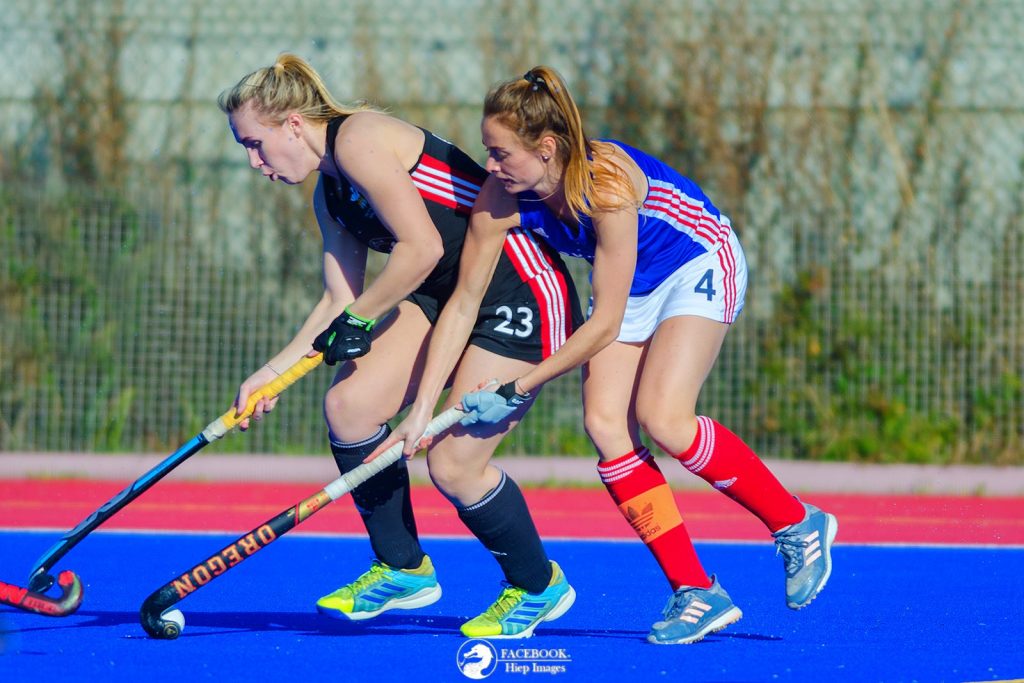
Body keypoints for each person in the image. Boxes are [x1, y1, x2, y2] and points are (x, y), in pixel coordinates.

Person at [380, 66, 838, 645]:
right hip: (631, 285)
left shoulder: (604, 184)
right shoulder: (500, 198)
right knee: (604, 424)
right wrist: (423, 407)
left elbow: (605, 323)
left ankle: (796, 523)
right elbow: (465, 302)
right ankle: (696, 590)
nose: (489, 167)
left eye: (500, 153)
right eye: (486, 151)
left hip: (695, 261)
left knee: (664, 418)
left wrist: (517, 388)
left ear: (546, 148)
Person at [218, 54, 582, 639]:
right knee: (350, 407)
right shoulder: (329, 196)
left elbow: (420, 249)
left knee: (454, 464)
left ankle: (538, 586)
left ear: (292, 123)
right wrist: (271, 373)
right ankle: (402, 567)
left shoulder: (358, 138)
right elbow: (341, 301)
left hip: (518, 290)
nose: (254, 162)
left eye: (256, 143)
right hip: (444, 295)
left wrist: (361, 318)